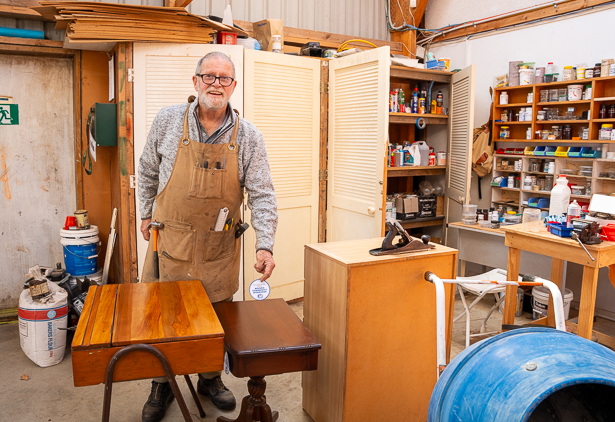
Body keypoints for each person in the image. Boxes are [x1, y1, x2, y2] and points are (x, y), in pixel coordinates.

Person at [137, 51, 278, 422]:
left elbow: (262, 193)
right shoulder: (168, 121)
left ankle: (210, 378)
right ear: (195, 80)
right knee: (165, 318)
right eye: (209, 76)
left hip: (218, 248)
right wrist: (145, 212)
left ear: (234, 86)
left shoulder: (247, 136)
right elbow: (148, 168)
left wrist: (265, 244)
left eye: (225, 78)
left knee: (215, 317)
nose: (217, 83)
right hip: (171, 243)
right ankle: (161, 383)